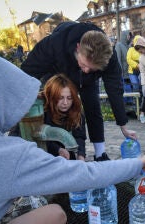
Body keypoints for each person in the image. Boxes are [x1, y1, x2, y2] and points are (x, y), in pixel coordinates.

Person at [0, 49, 145, 224]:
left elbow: (78, 137)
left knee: (53, 214)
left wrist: (77, 153)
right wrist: (138, 163)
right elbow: (86, 175)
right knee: (55, 215)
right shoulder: (5, 155)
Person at [21, 21, 136, 162]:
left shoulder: (108, 57)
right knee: (55, 106)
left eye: (92, 68)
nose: (86, 70)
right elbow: (26, 73)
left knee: (92, 106)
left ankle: (100, 154)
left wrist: (123, 125)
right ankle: (55, 150)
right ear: (78, 47)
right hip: (58, 72)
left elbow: (115, 89)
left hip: (87, 82)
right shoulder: (53, 45)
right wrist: (21, 103)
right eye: (84, 65)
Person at [43, 74, 86, 161]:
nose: (65, 103)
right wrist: (58, 150)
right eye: (60, 98)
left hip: (67, 155)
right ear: (52, 96)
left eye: (69, 98)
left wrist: (81, 155)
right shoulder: (43, 111)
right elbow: (39, 139)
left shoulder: (76, 111)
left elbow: (79, 137)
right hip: (44, 156)